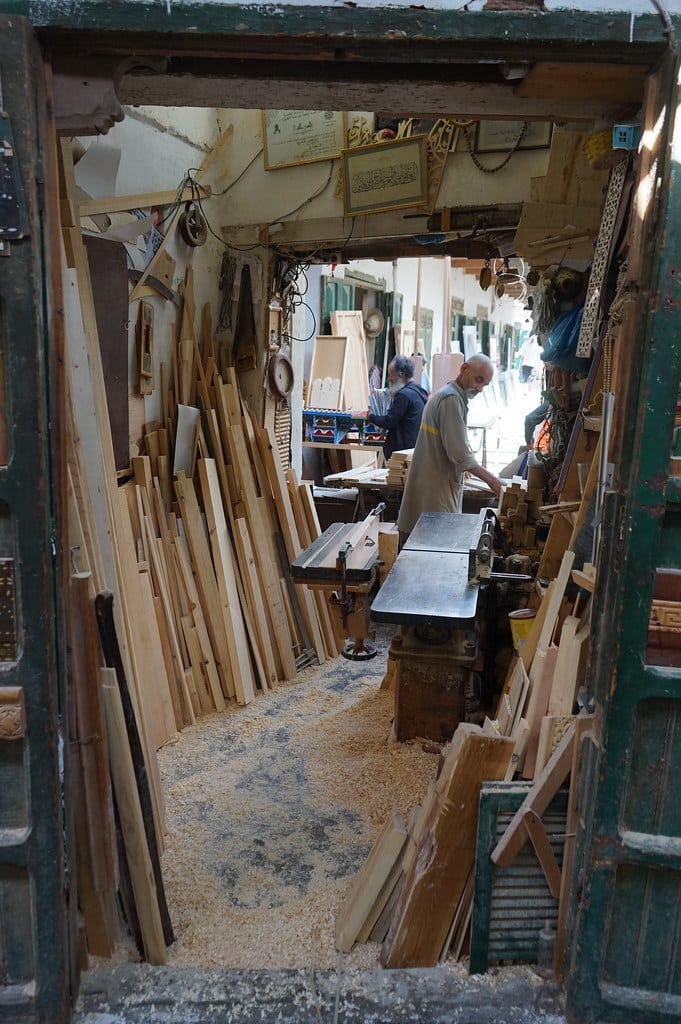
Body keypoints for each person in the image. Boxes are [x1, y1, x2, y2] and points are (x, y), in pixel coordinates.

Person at [397, 353, 502, 541]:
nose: (480, 388)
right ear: (464, 369)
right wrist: (493, 481)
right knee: (433, 550)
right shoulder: (451, 399)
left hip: (433, 484)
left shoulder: (449, 395)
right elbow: (460, 453)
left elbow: (452, 445)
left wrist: (465, 466)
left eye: (485, 384)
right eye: (479, 380)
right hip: (436, 491)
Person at [369, 355, 429, 460]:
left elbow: (389, 421)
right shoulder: (419, 391)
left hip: (402, 456)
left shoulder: (404, 395)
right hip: (414, 451)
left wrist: (371, 416)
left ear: (401, 374)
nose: (389, 379)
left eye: (391, 374)